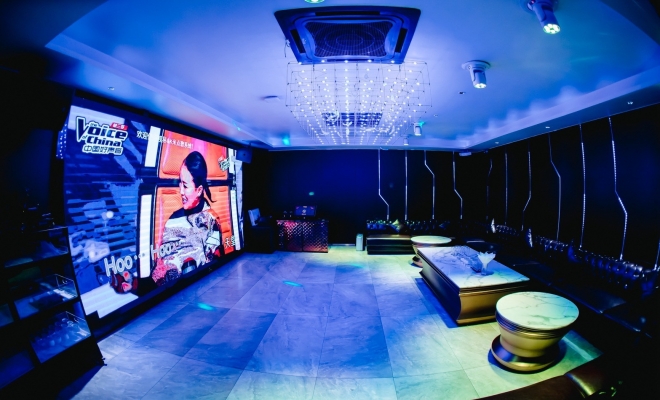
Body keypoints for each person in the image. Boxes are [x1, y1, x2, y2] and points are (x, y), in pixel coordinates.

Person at [151, 151, 223, 285]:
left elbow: (215, 260)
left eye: (185, 185)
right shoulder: (173, 220)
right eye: (180, 183)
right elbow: (164, 261)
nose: (181, 191)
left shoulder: (211, 219)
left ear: (199, 190)